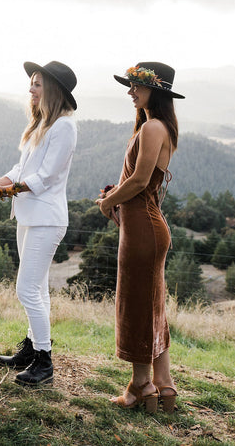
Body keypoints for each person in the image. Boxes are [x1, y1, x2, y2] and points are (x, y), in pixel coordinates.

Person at [0, 61, 78, 386]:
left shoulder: (64, 127)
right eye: (31, 84)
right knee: (37, 289)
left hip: (46, 219)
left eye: (37, 84)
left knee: (25, 289)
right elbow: (21, 168)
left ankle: (44, 362)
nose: (31, 89)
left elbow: (45, 177)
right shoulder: (40, 126)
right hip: (29, 216)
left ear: (52, 90)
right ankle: (33, 349)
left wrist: (5, 191)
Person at [96, 62, 183, 414]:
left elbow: (139, 180)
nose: (130, 91)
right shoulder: (160, 127)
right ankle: (163, 384)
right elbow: (140, 184)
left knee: (135, 307)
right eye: (130, 85)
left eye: (136, 85)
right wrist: (118, 198)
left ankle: (139, 386)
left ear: (155, 91)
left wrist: (107, 201)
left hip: (143, 230)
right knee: (152, 307)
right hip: (146, 226)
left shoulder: (151, 127)